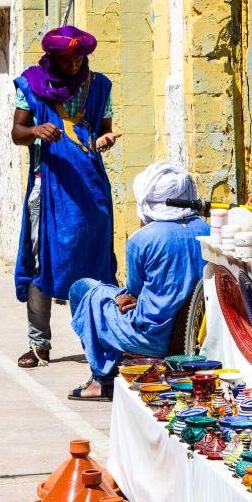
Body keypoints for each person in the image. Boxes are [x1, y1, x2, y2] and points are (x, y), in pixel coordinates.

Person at [11, 26, 122, 369]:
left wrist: (105, 140)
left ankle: (101, 339)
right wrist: (35, 130)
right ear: (53, 58)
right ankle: (39, 344)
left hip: (89, 188)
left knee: (94, 259)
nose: (74, 64)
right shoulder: (31, 86)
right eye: (67, 59)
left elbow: (103, 129)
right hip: (48, 185)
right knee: (41, 256)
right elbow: (17, 132)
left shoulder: (99, 86)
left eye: (79, 58)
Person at [67, 161, 210, 401]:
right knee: (102, 294)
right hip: (192, 333)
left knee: (82, 290)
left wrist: (122, 296)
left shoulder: (142, 239)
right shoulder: (207, 230)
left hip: (152, 337)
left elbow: (133, 292)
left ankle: (101, 380)